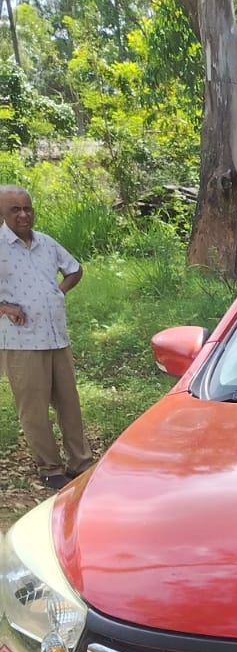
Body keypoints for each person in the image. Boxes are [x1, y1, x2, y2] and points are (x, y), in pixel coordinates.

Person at [0, 185, 93, 489]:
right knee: (34, 408)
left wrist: (59, 291)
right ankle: (49, 466)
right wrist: (6, 307)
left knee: (69, 402)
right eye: (15, 209)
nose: (24, 215)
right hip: (22, 341)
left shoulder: (47, 243)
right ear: (3, 212)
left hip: (57, 337)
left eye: (27, 208)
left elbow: (75, 269)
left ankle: (80, 462)